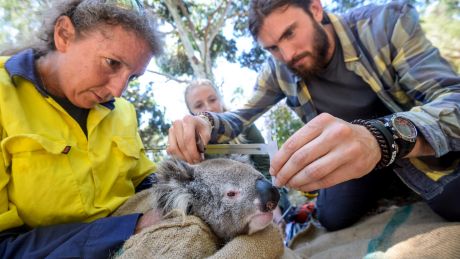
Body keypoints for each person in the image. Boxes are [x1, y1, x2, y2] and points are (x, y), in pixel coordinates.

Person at [167, 0, 460, 232]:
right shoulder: (278, 71)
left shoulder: (385, 23)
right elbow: (239, 117)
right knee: (332, 217)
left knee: (452, 202)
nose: (287, 54)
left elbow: (453, 101)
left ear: (316, 9)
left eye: (290, 33)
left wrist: (380, 139)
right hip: (354, 168)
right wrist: (204, 122)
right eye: (272, 48)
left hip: (416, 150)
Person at [0, 0, 163, 258]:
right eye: (112, 63)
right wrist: (125, 229)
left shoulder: (122, 112)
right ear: (64, 34)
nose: (119, 91)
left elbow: (146, 183)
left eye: (132, 77)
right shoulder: (3, 97)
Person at [184, 79, 290, 225]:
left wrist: (275, 210)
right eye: (199, 105)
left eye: (212, 100)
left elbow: (267, 168)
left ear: (220, 100)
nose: (208, 108)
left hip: (266, 198)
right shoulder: (191, 148)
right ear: (191, 113)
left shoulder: (246, 127)